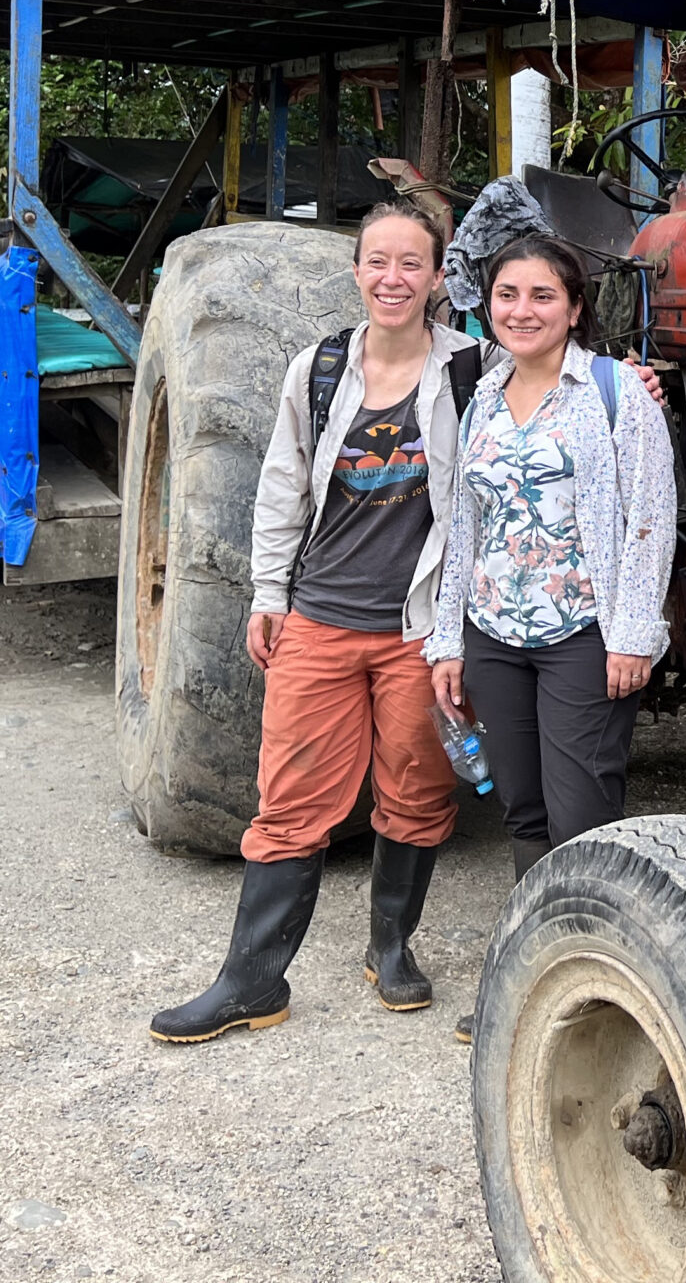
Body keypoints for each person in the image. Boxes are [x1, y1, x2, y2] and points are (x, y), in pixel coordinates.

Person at [148, 201, 478, 1044]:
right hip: (321, 617)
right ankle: (251, 981)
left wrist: (636, 381)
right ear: (358, 270)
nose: (394, 278)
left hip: (417, 630)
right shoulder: (320, 369)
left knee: (415, 790)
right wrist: (268, 594)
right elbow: (281, 487)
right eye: (379, 262)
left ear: (438, 276)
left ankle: (391, 947)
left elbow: (563, 380)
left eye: (412, 263)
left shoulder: (475, 374)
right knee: (290, 800)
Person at [427, 236, 677, 1039]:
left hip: (583, 632)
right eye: (507, 295)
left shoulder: (613, 394)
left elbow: (649, 519)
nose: (521, 311)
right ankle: (532, 985)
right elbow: (463, 523)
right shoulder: (484, 396)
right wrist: (447, 641)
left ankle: (603, 997)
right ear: (486, 305)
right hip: (495, 631)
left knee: (583, 820)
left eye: (541, 296)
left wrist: (633, 635)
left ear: (574, 309)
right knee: (526, 814)